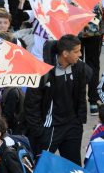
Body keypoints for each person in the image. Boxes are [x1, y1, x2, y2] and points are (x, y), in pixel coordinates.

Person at [26, 34, 87, 165]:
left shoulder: (79, 68)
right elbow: (31, 104)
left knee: (74, 169)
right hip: (50, 128)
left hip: (72, 127)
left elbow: (81, 95)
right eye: (76, 51)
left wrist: (79, 121)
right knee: (40, 169)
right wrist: (39, 131)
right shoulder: (42, 71)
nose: (80, 54)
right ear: (65, 53)